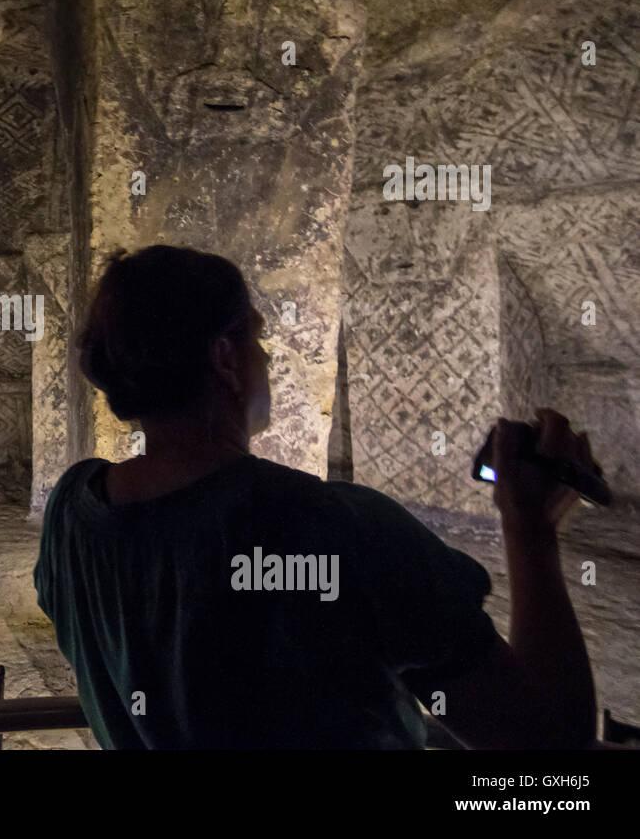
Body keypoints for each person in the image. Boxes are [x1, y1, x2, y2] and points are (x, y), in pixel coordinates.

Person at [33, 245, 598, 749]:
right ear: (225, 357)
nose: (269, 359)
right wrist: (530, 527)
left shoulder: (72, 510)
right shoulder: (332, 524)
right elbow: (549, 744)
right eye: (257, 337)